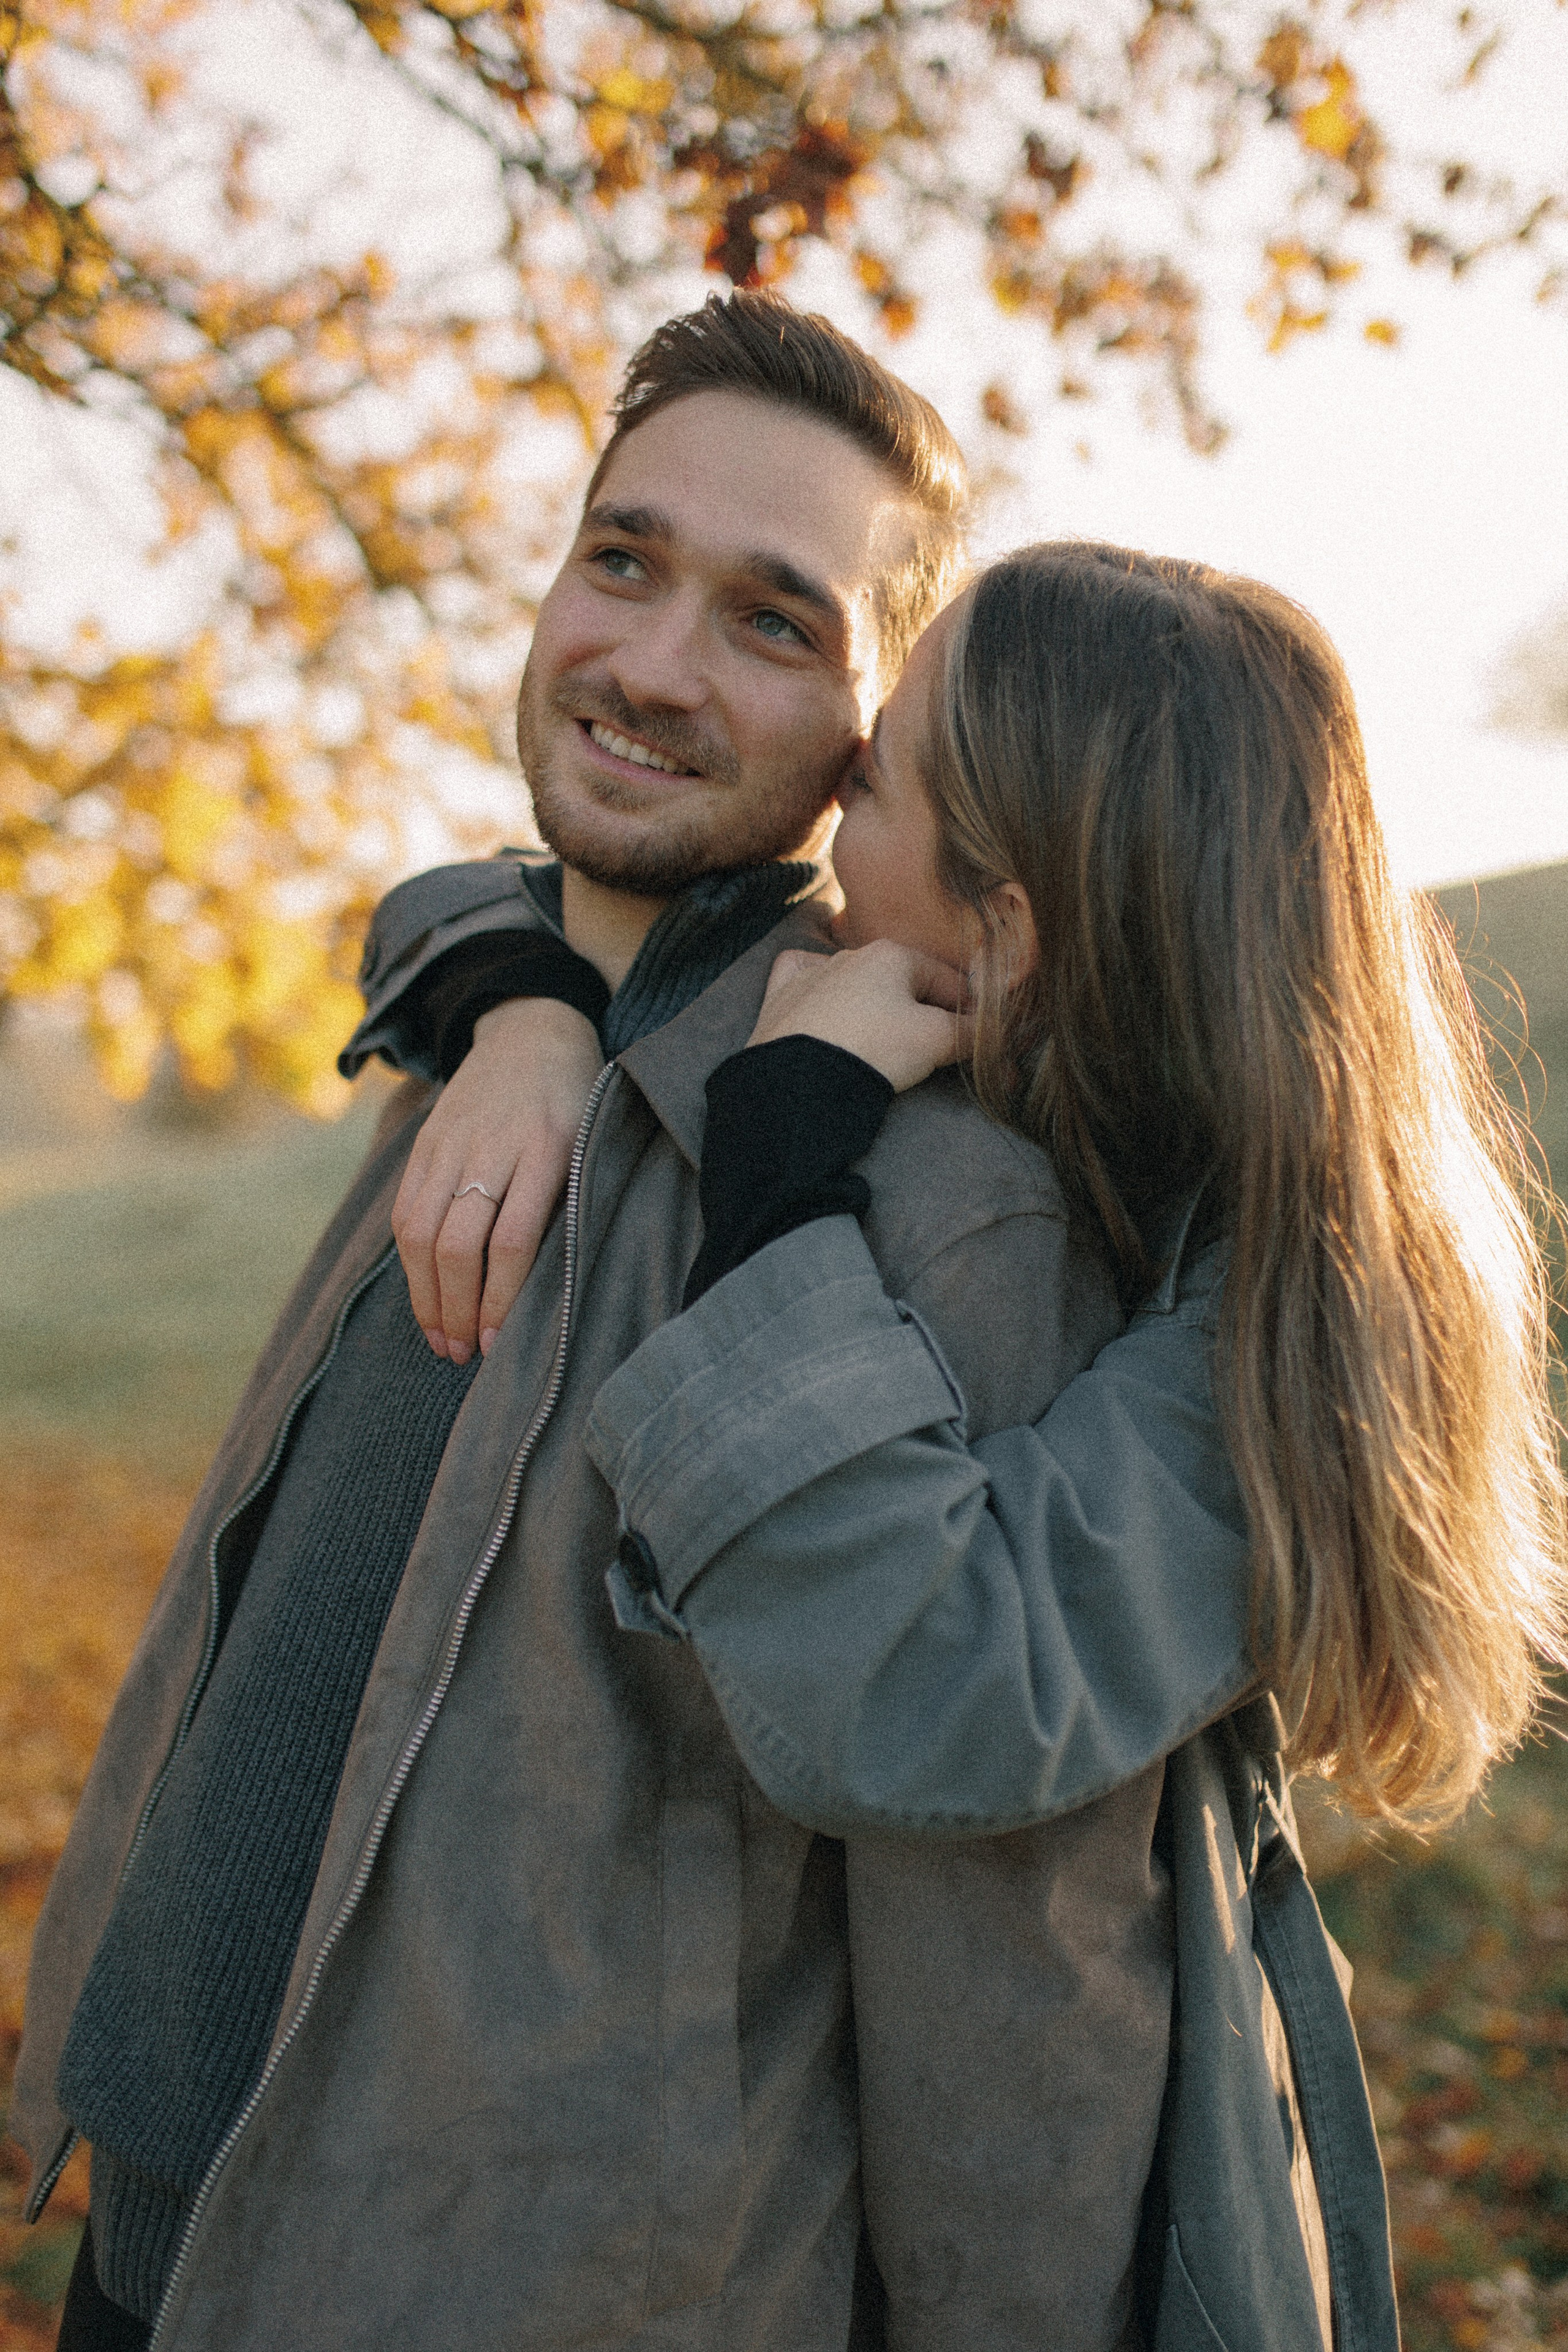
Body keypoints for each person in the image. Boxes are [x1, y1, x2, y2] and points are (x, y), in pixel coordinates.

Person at [15, 296, 1188, 2352]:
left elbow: (1024, 1955)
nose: (645, 664)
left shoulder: (927, 1196)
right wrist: (520, 1006)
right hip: (157, 2231)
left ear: (880, 732)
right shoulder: (480, 1038)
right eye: (622, 560)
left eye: (769, 620)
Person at [379, 545, 1568, 2350]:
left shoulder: (1275, 1326)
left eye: (870, 782)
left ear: (1004, 928)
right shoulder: (1074, 1089)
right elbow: (484, 884)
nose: (827, 806)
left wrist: (782, 1177)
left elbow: (930, 1671)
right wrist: (525, 1004)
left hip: (1084, 2241)